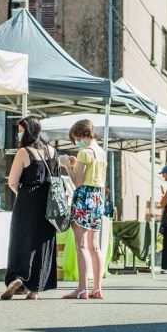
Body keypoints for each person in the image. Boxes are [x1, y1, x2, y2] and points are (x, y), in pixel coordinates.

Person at [1, 117, 58, 301]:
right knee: (43, 243)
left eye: (20, 130)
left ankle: (17, 278)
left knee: (21, 241)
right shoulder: (52, 151)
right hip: (49, 203)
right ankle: (35, 290)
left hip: (27, 200)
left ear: (28, 131)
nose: (19, 133)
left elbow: (12, 181)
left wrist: (22, 193)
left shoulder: (24, 152)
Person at [62, 119, 107, 300]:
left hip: (83, 198)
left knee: (81, 244)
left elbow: (77, 181)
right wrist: (75, 164)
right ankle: (97, 287)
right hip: (97, 198)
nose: (76, 142)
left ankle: (82, 288)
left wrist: (66, 165)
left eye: (76, 139)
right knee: (94, 246)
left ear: (81, 135)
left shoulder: (84, 152)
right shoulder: (101, 152)